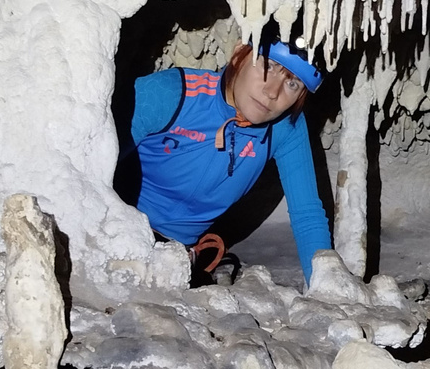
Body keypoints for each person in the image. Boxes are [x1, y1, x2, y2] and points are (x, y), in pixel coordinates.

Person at [124, 32, 332, 285]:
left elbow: (307, 214)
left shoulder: (286, 129)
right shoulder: (170, 93)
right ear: (238, 55)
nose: (272, 92)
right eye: (267, 66)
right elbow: (88, 165)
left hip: (178, 259)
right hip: (120, 234)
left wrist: (327, 287)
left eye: (293, 84)